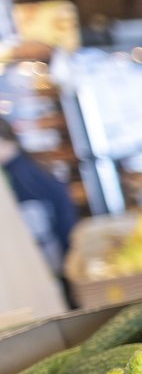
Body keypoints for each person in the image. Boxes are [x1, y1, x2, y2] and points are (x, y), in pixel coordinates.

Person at [0, 118, 78, 278]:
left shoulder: (19, 175)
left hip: (53, 256)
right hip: (61, 248)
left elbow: (35, 228)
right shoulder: (24, 164)